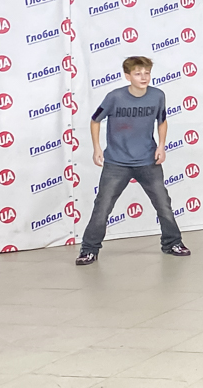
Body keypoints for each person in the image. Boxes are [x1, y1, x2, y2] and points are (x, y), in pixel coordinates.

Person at [78, 56, 191, 266]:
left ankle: (172, 243)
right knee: (102, 207)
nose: (143, 77)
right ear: (128, 76)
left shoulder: (157, 96)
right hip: (116, 162)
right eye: (138, 74)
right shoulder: (114, 97)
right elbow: (95, 120)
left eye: (147, 73)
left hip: (148, 160)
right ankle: (89, 250)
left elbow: (162, 121)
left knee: (163, 204)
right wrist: (97, 148)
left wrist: (161, 145)